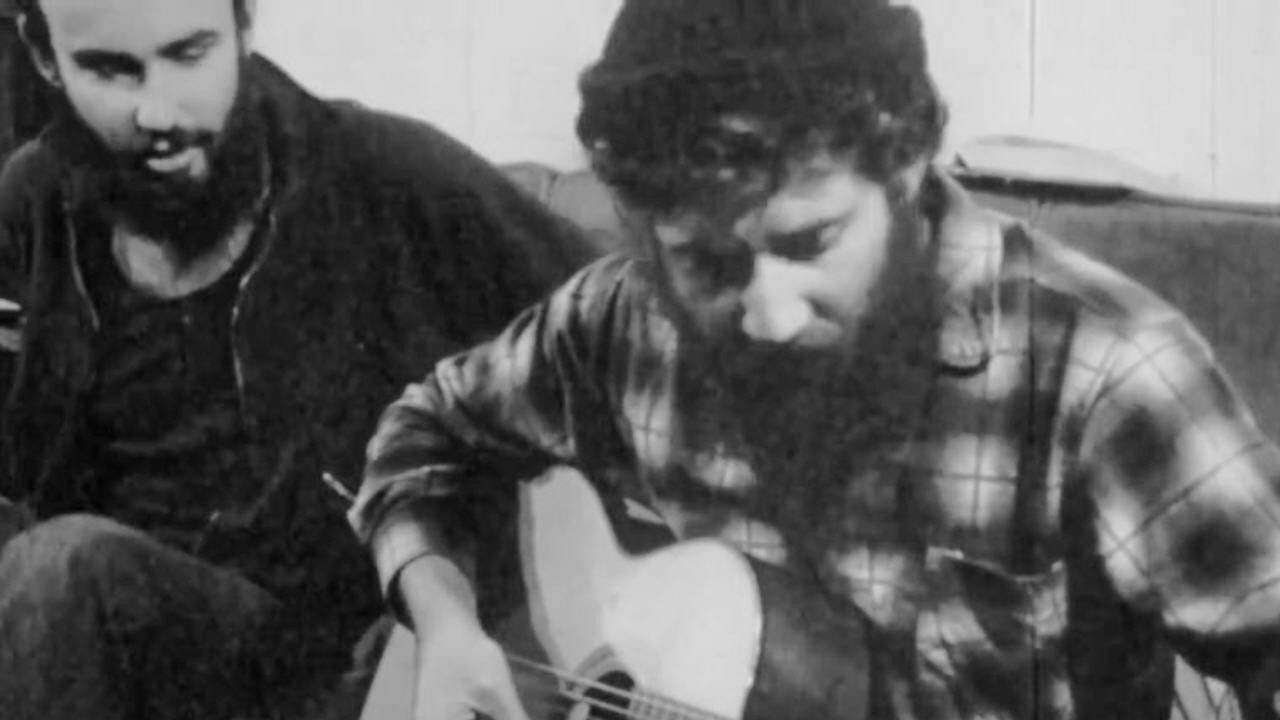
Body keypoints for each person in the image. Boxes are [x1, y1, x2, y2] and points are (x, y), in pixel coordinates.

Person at [349, 1, 1280, 719]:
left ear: (905, 166)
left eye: (811, 242)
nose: (769, 315)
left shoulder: (1103, 369)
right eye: (708, 263)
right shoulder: (622, 317)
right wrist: (446, 619)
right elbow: (424, 433)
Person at [0, 0, 600, 718]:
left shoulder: (387, 174)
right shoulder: (37, 204)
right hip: (121, 662)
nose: (158, 112)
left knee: (62, 568)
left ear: (244, 23)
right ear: (43, 54)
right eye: (110, 70)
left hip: (364, 665)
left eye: (189, 54)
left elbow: (631, 328)